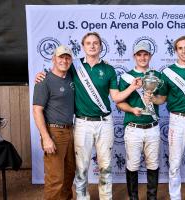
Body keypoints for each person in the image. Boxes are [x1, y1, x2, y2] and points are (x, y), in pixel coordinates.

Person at [36, 32, 141, 200]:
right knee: (81, 168)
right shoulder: (74, 65)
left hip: (104, 122)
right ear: (83, 46)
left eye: (95, 43)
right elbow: (58, 72)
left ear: (100, 46)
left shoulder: (108, 69)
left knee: (105, 166)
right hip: (82, 123)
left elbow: (115, 97)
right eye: (88, 43)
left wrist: (132, 88)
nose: (92, 46)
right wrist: (42, 75)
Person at [146, 36, 185, 200]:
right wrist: (151, 98)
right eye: (180, 48)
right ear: (176, 50)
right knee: (174, 164)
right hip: (176, 121)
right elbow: (162, 98)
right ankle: (175, 197)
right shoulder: (168, 72)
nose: (184, 51)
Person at [117, 42, 161, 200]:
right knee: (133, 165)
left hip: (152, 127)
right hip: (133, 127)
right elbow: (119, 102)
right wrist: (132, 109)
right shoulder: (126, 77)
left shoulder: (156, 75)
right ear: (134, 56)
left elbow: (162, 99)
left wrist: (153, 98)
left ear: (150, 56)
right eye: (139, 54)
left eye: (146, 54)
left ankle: (152, 197)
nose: (142, 57)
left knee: (153, 164)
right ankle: (133, 198)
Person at [33, 45, 75, 200]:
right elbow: (37, 110)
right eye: (60, 57)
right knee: (55, 178)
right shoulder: (44, 80)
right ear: (53, 59)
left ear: (71, 60)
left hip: (71, 131)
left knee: (69, 174)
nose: (64, 60)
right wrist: (46, 138)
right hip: (54, 132)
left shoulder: (71, 76)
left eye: (67, 57)